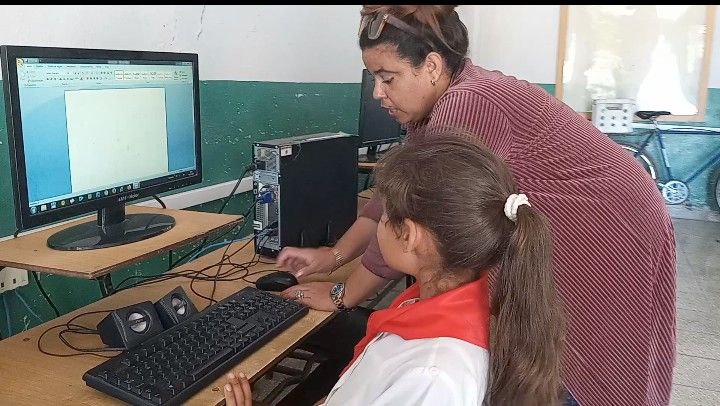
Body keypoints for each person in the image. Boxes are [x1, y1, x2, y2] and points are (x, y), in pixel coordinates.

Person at [277, 5, 677, 406]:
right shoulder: (440, 102)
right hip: (610, 213)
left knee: (581, 346)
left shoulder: (469, 103)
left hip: (607, 227)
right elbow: (391, 197)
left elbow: (412, 214)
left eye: (387, 78)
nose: (378, 92)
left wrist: (341, 295)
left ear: (431, 66)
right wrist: (333, 256)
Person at [225, 135, 565, 405]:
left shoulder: (431, 376)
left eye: (385, 217)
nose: (379, 224)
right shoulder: (430, 300)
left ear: (410, 235)